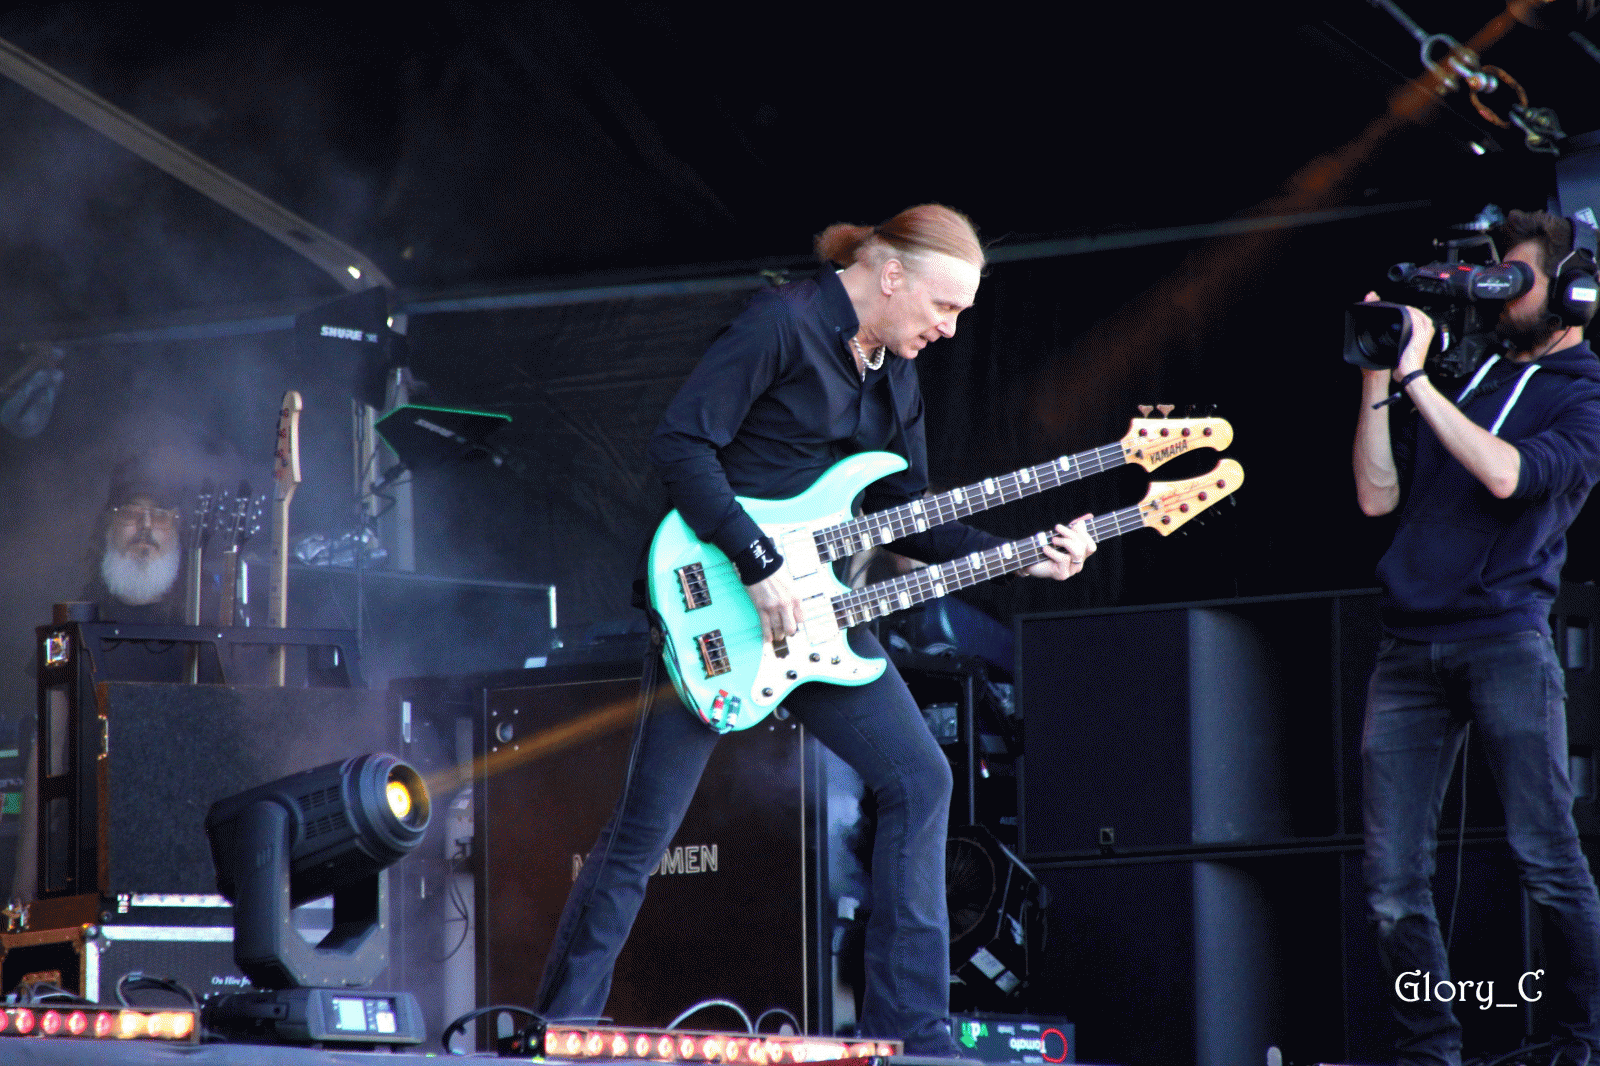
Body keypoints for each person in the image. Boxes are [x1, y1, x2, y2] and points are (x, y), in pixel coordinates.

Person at [535, 204, 1096, 1053]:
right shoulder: (782, 324)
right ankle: (559, 1028)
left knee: (920, 779)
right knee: (645, 833)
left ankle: (913, 1031)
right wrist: (756, 561)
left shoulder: (896, 374)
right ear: (892, 275)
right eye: (945, 306)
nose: (950, 329)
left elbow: (911, 516)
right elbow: (680, 446)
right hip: (717, 606)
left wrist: (1022, 556)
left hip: (821, 618)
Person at [1353, 209, 1600, 1066]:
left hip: (1504, 639)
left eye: (1516, 280)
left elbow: (1506, 474)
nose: (1497, 296)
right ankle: (1429, 1049)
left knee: (1547, 858)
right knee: (1390, 885)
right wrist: (1378, 376)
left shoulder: (1586, 395)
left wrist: (1417, 381)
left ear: (1572, 293)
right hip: (1406, 647)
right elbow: (1378, 497)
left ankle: (1583, 1042)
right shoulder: (1474, 373)